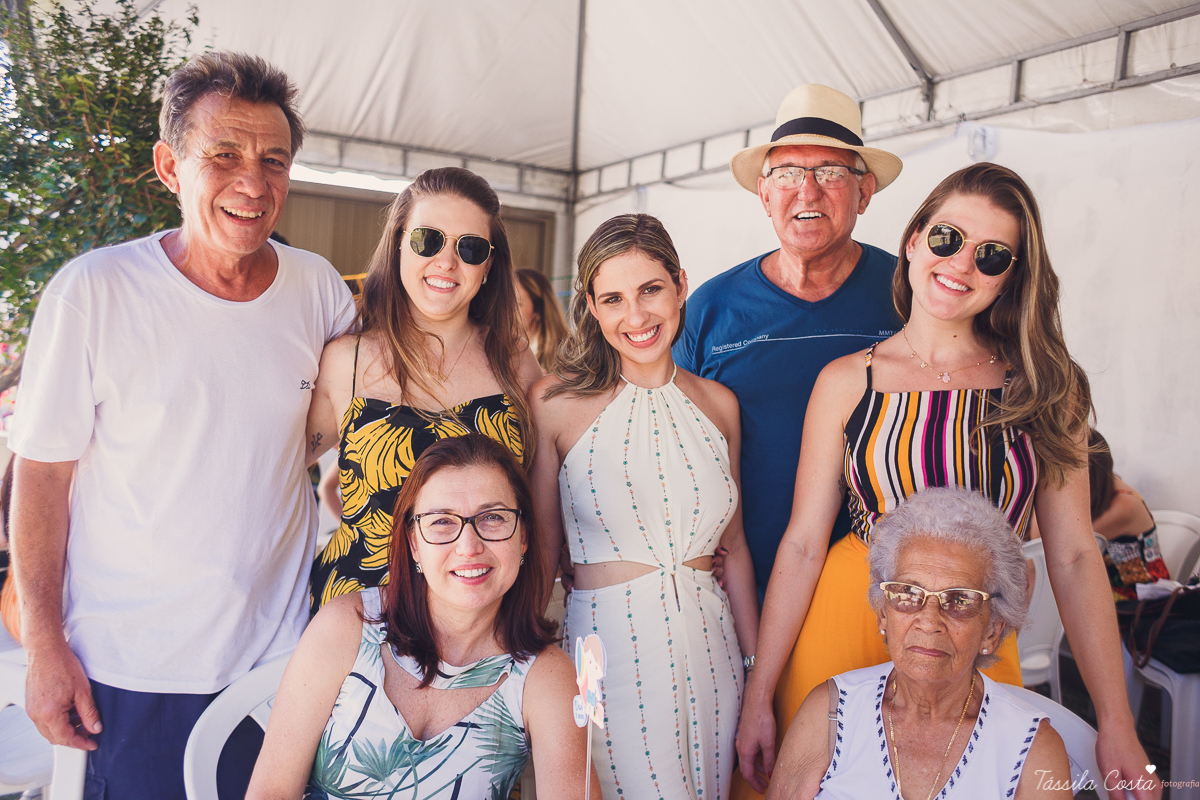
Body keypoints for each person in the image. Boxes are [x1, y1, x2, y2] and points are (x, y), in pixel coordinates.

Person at [738, 163, 1158, 798]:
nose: (960, 263)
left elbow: (1074, 557)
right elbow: (801, 544)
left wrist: (1116, 722)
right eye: (946, 238)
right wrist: (759, 692)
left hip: (974, 636)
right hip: (845, 621)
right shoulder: (846, 381)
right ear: (913, 241)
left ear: (1012, 277)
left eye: (992, 255)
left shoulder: (1045, 388)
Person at [7, 51, 355, 798]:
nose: (253, 183)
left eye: (274, 160)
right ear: (169, 166)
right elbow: (41, 475)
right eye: (223, 155)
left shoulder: (319, 289)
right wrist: (44, 645)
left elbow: (361, 432)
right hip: (131, 673)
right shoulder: (94, 293)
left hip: (279, 668)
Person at [529, 213, 760, 800]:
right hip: (604, 655)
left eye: (651, 290)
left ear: (681, 284)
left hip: (715, 654)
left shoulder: (720, 406)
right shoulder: (555, 404)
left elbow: (735, 556)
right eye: (613, 298)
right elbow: (543, 554)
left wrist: (759, 683)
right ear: (592, 306)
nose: (636, 317)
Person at [248, 434, 600, 799]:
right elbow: (271, 790)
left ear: (523, 535)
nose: (469, 546)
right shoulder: (347, 625)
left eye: (493, 517)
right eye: (443, 522)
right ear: (414, 542)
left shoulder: (546, 677)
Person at [674, 84, 905, 601]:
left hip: (883, 595)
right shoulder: (711, 310)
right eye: (787, 174)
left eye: (829, 172)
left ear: (864, 192)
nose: (807, 190)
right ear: (764, 194)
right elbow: (669, 444)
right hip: (739, 592)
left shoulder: (909, 298)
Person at [306, 167, 542, 614]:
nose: (447, 262)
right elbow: (276, 472)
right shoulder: (345, 359)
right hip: (356, 623)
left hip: (478, 627)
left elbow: (544, 496)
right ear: (398, 242)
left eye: (470, 248)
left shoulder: (511, 359)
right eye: (427, 240)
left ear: (489, 265)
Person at [768, 487, 1072, 800]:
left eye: (959, 600)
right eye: (908, 594)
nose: (929, 621)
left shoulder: (1033, 752)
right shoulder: (830, 714)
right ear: (883, 615)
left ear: (992, 631)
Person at [515, 268, 569, 373]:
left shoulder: (569, 355)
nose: (506, 310)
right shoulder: (496, 349)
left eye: (517, 304)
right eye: (504, 302)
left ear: (538, 310)